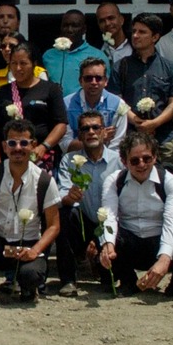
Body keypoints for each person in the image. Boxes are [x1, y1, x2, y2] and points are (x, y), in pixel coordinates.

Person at [0, 120, 62, 303]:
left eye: (23, 143)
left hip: (27, 246)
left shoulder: (44, 181)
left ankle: (27, 287)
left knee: (31, 275)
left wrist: (35, 250)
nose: (17, 148)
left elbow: (54, 226)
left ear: (33, 145)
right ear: (4, 146)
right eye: (12, 143)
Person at [96, 129, 173, 299]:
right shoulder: (114, 181)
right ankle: (128, 280)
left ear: (155, 157)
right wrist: (107, 246)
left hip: (158, 239)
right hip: (130, 241)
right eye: (134, 160)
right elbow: (109, 215)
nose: (141, 165)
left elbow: (172, 222)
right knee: (105, 241)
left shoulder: (170, 181)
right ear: (124, 162)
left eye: (147, 158)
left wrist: (163, 259)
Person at [55, 109, 120, 296]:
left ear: (103, 132)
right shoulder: (69, 161)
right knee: (63, 214)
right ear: (80, 135)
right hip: (80, 222)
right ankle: (68, 280)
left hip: (109, 222)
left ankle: (105, 270)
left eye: (95, 127)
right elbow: (62, 195)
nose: (91, 132)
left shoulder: (118, 161)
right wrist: (69, 197)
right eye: (85, 129)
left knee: (110, 280)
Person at [112, 15, 173, 160]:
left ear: (155, 37)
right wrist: (137, 121)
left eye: (142, 32)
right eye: (134, 31)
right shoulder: (121, 67)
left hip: (163, 137)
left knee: (165, 178)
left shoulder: (169, 68)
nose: (135, 36)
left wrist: (155, 123)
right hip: (130, 137)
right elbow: (117, 101)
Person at [0, 42, 66, 166]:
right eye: (14, 63)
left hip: (41, 159)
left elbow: (61, 124)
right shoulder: (1, 92)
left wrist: (44, 146)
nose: (18, 68)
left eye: (23, 63)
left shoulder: (50, 89)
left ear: (34, 64)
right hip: (10, 160)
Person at [44, 10, 105, 94]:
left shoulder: (98, 56)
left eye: (75, 26)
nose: (69, 30)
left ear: (84, 29)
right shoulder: (48, 56)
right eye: (66, 25)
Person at [62, 56, 113, 147]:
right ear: (81, 81)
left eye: (98, 78)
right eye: (88, 78)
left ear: (105, 81)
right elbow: (65, 145)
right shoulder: (66, 104)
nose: (93, 82)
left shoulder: (117, 104)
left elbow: (117, 146)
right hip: (74, 158)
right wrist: (98, 139)